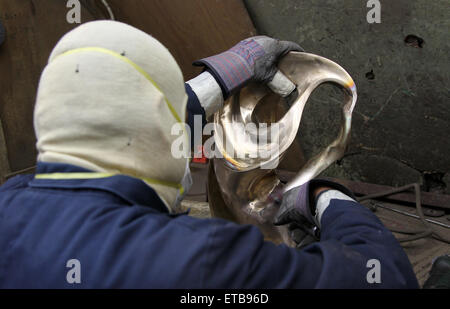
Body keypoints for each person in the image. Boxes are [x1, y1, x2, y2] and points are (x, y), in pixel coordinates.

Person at [0, 21, 418, 288]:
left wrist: (231, 69)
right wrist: (325, 200)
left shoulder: (10, 206)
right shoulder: (202, 262)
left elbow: (127, 117)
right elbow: (382, 277)